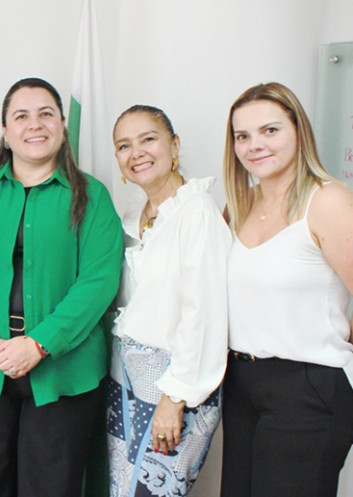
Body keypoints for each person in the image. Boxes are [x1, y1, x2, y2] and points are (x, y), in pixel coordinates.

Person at [0, 76, 121, 497]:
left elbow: (98, 281)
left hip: (65, 372)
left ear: (63, 125)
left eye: (46, 114)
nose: (34, 125)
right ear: (5, 130)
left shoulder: (92, 196)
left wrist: (38, 344)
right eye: (21, 116)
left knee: (51, 488)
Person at [221, 82, 353, 497]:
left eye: (270, 131)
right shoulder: (238, 205)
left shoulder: (327, 201)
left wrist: (337, 334)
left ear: (299, 131)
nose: (254, 145)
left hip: (308, 386)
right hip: (241, 383)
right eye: (242, 136)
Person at [105, 105, 229, 496]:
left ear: (174, 145)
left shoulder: (197, 213)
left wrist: (174, 398)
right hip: (123, 375)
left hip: (174, 381)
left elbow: (204, 313)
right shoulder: (132, 214)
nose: (136, 152)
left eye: (148, 139)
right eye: (124, 145)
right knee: (122, 490)